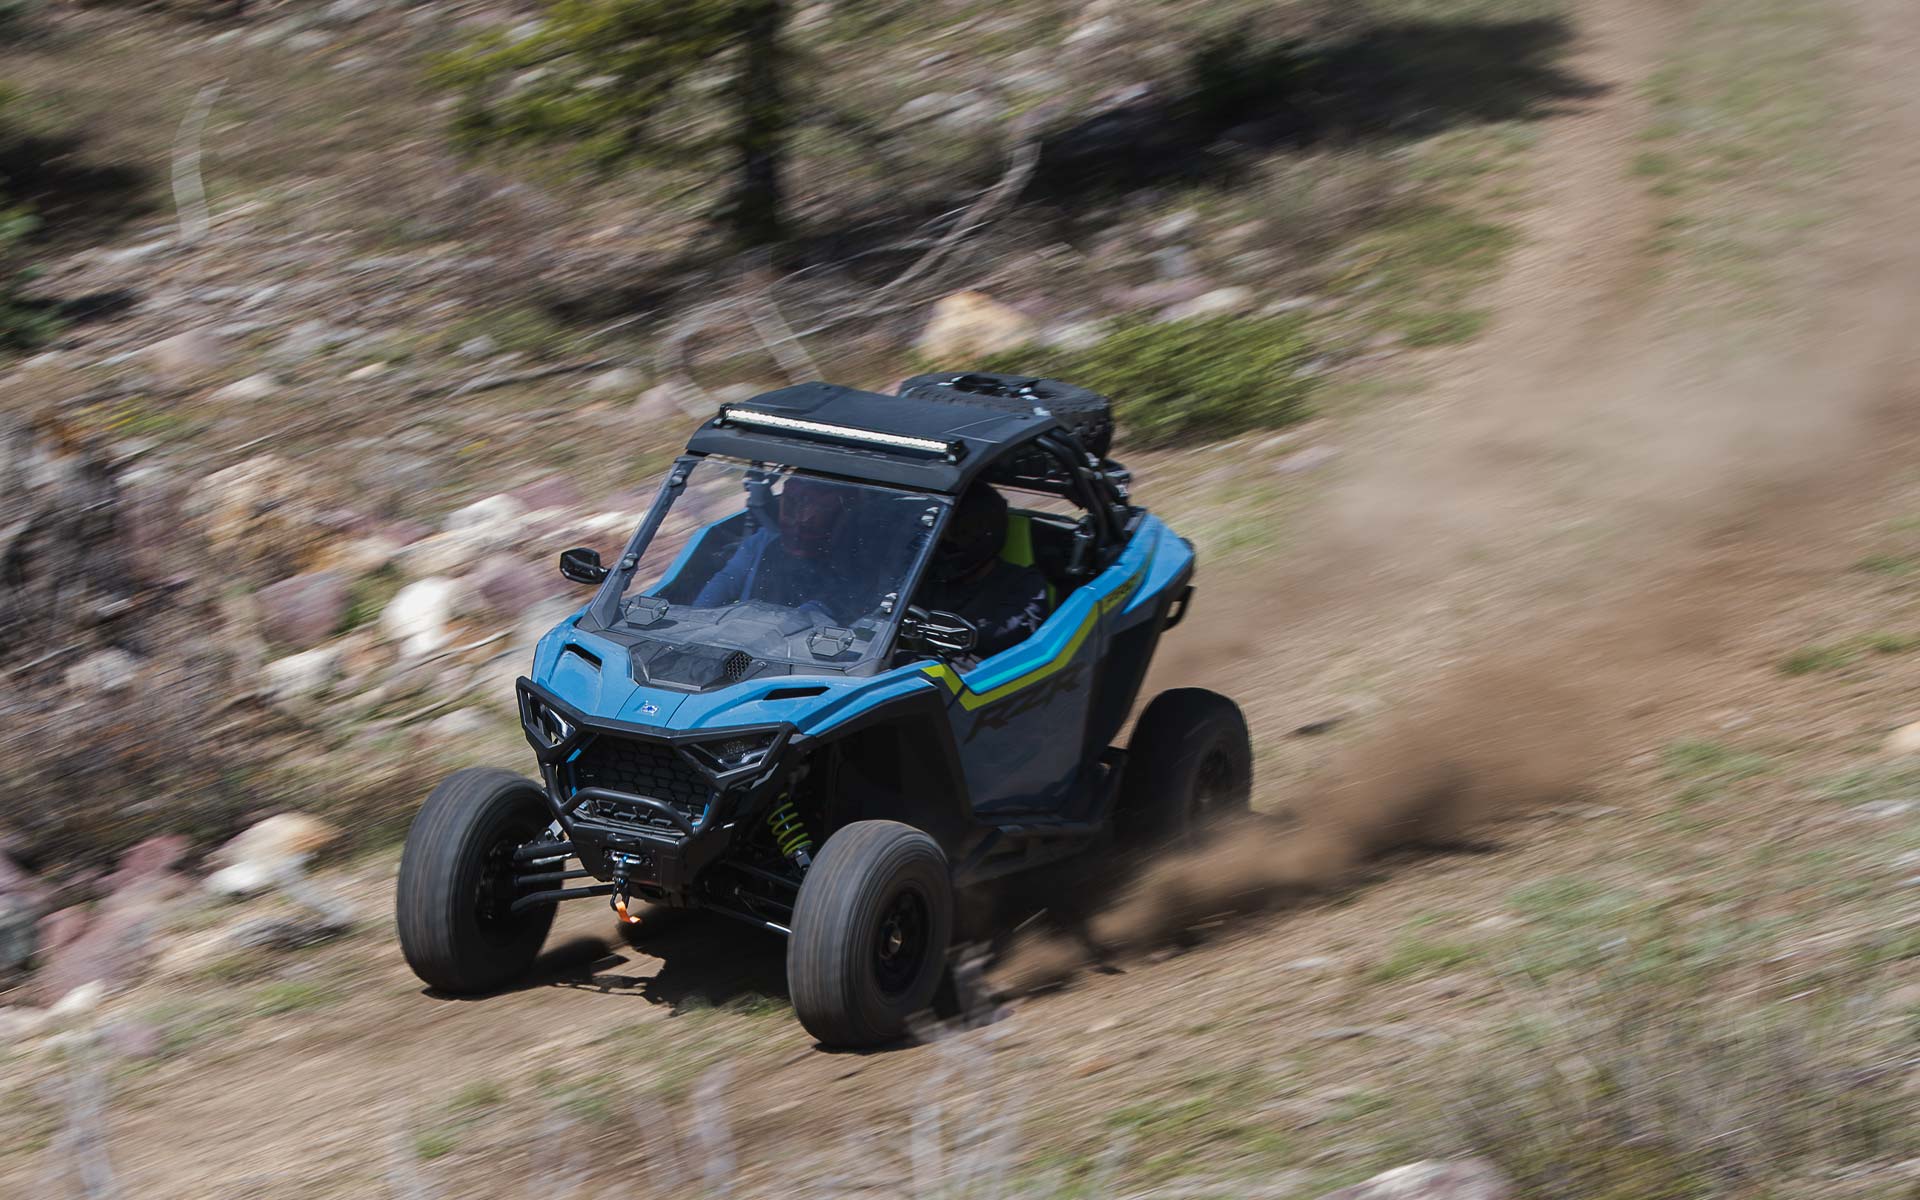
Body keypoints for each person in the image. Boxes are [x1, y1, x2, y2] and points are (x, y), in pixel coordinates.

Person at [691, 475, 869, 624]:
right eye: (792, 505)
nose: (800, 521)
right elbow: (726, 581)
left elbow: (820, 611)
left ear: (844, 517)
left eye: (818, 510)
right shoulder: (762, 541)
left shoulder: (861, 563)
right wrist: (695, 620)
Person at [917, 483, 1051, 669]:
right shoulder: (927, 577)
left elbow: (1007, 633)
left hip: (984, 678)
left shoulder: (1025, 583)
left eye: (959, 532)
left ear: (983, 534)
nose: (947, 540)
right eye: (942, 532)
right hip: (918, 670)